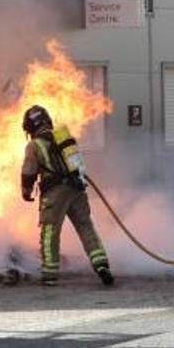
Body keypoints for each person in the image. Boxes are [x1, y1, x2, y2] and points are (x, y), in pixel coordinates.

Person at [20, 105, 113, 287]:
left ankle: (49, 275)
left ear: (30, 127)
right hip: (77, 189)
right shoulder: (64, 138)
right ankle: (101, 265)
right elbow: (78, 165)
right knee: (85, 226)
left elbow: (29, 170)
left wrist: (26, 191)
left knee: (50, 232)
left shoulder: (34, 145)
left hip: (55, 193)